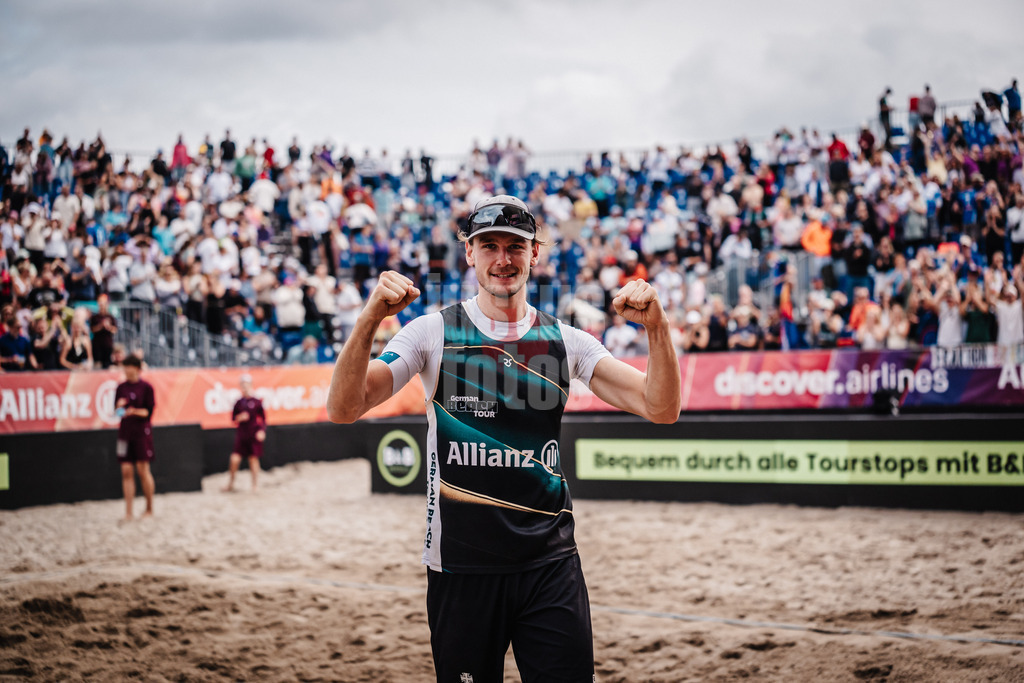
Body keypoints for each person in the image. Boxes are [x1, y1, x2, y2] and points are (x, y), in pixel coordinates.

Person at [326, 195, 681, 682]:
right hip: (461, 567)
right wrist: (369, 319)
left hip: (550, 564)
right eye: (489, 246)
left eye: (515, 246)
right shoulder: (432, 333)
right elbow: (344, 408)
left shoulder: (566, 341)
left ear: (534, 253)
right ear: (469, 253)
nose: (502, 259)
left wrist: (658, 328)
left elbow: (661, 408)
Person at [114, 355, 156, 521]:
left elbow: (148, 413)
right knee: (126, 471)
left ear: (136, 368)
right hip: (124, 433)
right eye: (124, 366)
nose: (125, 369)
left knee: (143, 471)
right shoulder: (121, 388)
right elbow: (117, 413)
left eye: (128, 366)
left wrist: (133, 411)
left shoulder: (146, 387)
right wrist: (119, 408)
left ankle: (149, 508)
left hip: (141, 433)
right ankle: (128, 512)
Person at [222, 374, 267, 493]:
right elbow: (233, 419)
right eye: (242, 385)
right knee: (234, 459)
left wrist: (262, 431)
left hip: (253, 434)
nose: (244, 387)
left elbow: (263, 419)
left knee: (253, 460)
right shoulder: (238, 403)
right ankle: (231, 484)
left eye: (246, 385)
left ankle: (255, 486)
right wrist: (240, 418)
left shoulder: (257, 402)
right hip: (242, 435)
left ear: (251, 385)